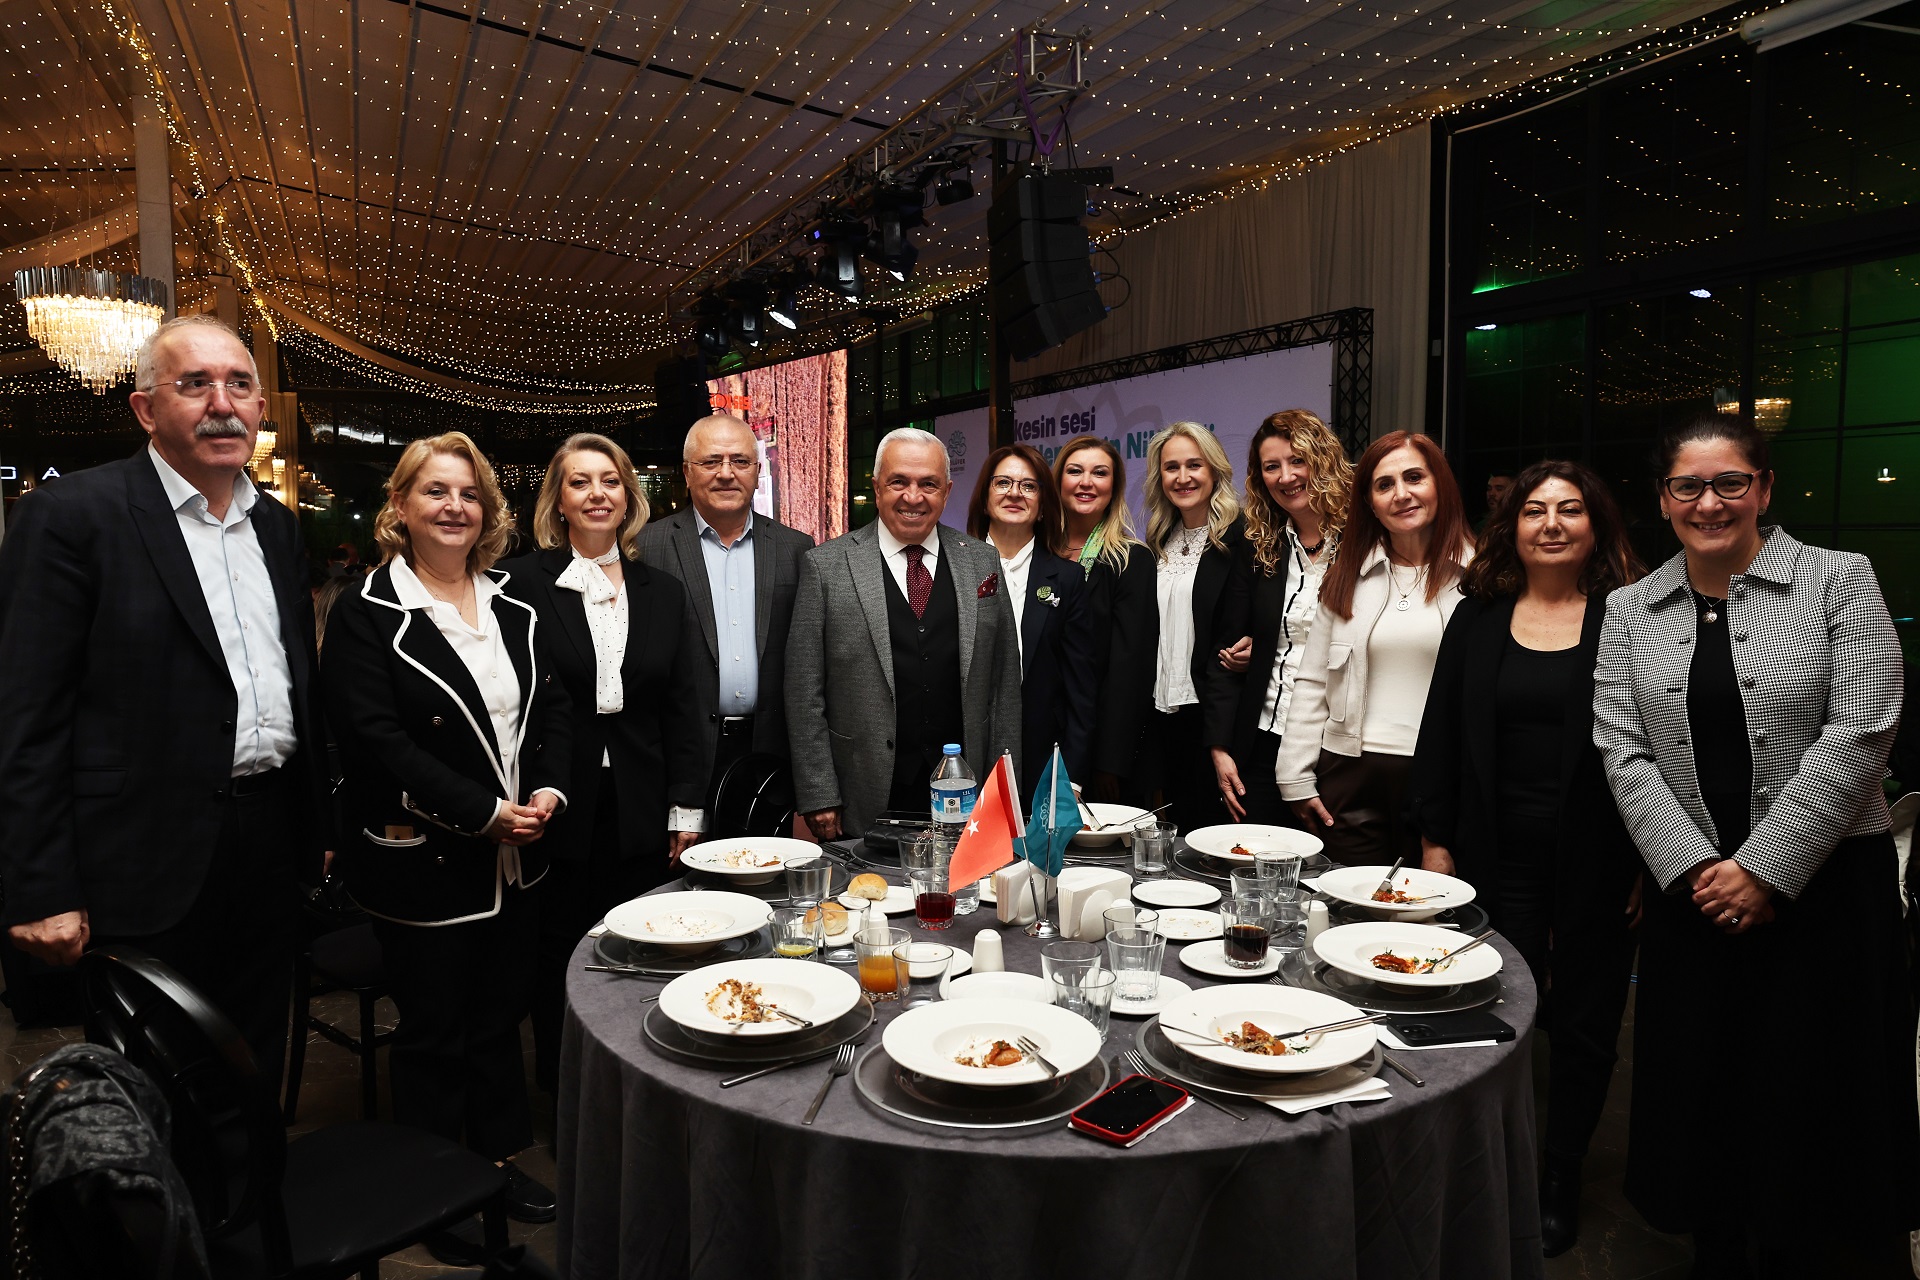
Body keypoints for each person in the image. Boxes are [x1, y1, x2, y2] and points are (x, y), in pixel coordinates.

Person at [1593, 414, 1917, 1275]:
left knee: (1814, 1086)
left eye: (1730, 482)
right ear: (1664, 499)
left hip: (1826, 886)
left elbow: (1864, 728)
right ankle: (1718, 1244)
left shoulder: (1838, 579)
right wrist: (1703, 869)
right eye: (1689, 486)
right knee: (1706, 1084)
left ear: (1764, 489)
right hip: (1694, 889)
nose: (1710, 502)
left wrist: (1765, 869)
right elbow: (1622, 749)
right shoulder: (1629, 609)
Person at [0, 314, 328, 1095]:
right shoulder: (73, 516)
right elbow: (25, 715)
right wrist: (41, 886)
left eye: (240, 385)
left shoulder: (277, 528)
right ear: (147, 409)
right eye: (195, 384)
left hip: (269, 840)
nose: (222, 404)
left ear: (260, 410)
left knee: (252, 1065)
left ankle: (250, 1180)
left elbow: (295, 685)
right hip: (141, 855)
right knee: (153, 1084)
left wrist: (316, 825)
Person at [322, 432, 570, 1232]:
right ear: (400, 505)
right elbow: (375, 743)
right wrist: (483, 813)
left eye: (469, 494)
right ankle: (434, 1195)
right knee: (434, 1031)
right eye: (436, 491)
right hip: (426, 856)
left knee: (499, 1021)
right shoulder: (366, 611)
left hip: (517, 856)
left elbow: (551, 711)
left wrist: (547, 792)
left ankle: (494, 1167)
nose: (455, 507)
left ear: (487, 510)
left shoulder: (514, 604)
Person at [1409, 460, 1644, 1258]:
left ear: (1596, 526)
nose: (1551, 523)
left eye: (1570, 510)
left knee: (1585, 1024)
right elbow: (1440, 730)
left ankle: (1559, 1175)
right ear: (1511, 527)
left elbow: (1661, 747)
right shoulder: (1477, 617)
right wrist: (1434, 837)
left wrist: (1652, 861)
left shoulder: (1630, 619)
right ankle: (1486, 1163)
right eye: (1534, 509)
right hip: (1490, 853)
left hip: (1601, 855)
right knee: (1490, 1012)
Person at [502, 433, 706, 1101]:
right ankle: (567, 1102)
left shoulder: (663, 591)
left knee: (644, 949)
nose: (597, 494)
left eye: (610, 481)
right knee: (560, 956)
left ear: (629, 496)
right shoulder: (519, 584)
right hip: (557, 800)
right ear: (558, 501)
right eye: (580, 482)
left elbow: (682, 709)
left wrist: (686, 808)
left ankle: (641, 1095)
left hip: (643, 804)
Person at [786, 428, 1021, 839]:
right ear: (877, 487)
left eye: (928, 484)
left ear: (947, 492)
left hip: (965, 788)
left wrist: (1004, 785)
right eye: (899, 482)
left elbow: (1004, 686)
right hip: (864, 788)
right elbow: (804, 692)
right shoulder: (826, 566)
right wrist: (819, 793)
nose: (913, 497)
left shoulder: (982, 561)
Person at [1276, 430, 1473, 865]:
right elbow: (1312, 681)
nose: (1401, 494)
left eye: (1414, 478)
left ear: (1440, 484)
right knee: (1345, 897)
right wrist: (1294, 777)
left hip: (1443, 778)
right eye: (1385, 485)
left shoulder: (1480, 578)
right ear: (1369, 502)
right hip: (1349, 775)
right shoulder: (1347, 576)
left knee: (1430, 901)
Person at [635, 414, 813, 837]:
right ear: (686, 472)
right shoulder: (646, 548)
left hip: (769, 752)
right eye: (711, 461)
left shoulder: (796, 549)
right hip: (681, 755)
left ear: (757, 471)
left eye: (740, 461)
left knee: (767, 869)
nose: (727, 473)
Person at [1204, 410, 1352, 824]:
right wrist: (1220, 747)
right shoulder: (1259, 545)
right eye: (1272, 467)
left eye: (1297, 460)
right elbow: (1225, 651)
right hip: (1262, 743)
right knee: (1251, 861)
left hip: (1337, 749)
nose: (1286, 477)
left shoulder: (1365, 540)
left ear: (1323, 460)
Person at [965, 443, 1096, 793]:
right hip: (963, 756)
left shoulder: (1067, 579)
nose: (1015, 493)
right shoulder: (951, 569)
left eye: (1028, 486)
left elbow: (1080, 688)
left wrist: (1072, 777)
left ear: (1041, 506)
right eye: (1003, 482)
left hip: (1042, 762)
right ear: (985, 499)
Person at [1133, 422, 1243, 831]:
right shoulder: (1158, 540)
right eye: (1171, 467)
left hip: (1215, 715)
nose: (1183, 477)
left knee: (1217, 836)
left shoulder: (1241, 538)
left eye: (1194, 465)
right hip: (1164, 715)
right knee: (1174, 835)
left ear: (1214, 470)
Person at [1054, 435, 1155, 806]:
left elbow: (1130, 671)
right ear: (1058, 481)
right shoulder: (1038, 554)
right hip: (1038, 734)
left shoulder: (1130, 560)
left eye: (1099, 473)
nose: (1086, 482)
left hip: (1099, 749)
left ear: (1114, 486)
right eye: (1075, 471)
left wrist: (1109, 762)